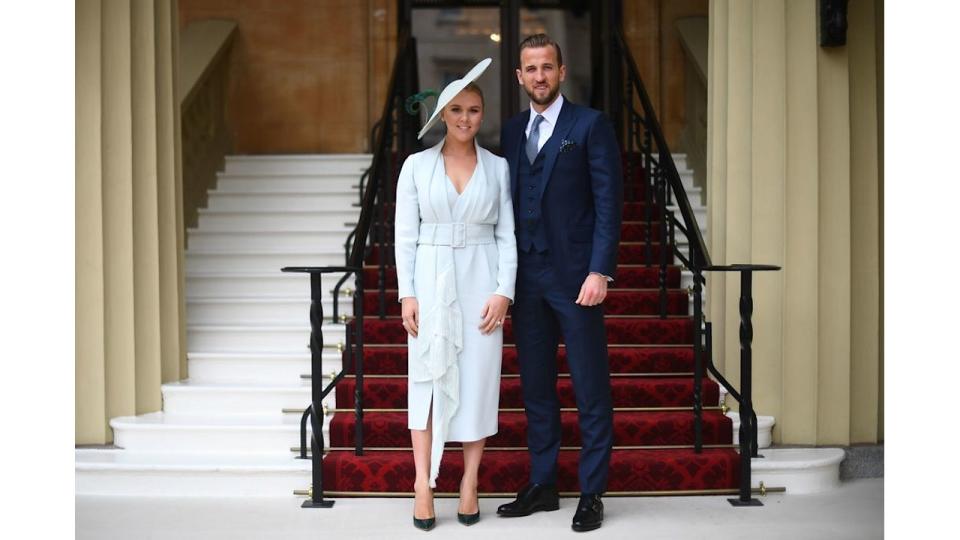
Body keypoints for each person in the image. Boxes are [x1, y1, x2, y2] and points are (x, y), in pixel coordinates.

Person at [495, 34, 623, 533]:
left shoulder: (589, 125)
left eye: (548, 67)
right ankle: (544, 483)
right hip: (526, 278)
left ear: (562, 72)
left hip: (576, 277)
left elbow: (608, 202)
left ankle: (592, 492)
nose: (540, 76)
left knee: (590, 386)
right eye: (531, 68)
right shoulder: (509, 132)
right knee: (536, 389)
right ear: (519, 77)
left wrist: (600, 270)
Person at [394, 58, 518, 531]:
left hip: (481, 282)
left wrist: (504, 291)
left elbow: (507, 235)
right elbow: (406, 236)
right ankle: (423, 482)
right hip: (430, 279)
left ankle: (469, 481)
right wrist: (408, 294)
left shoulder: (500, 168)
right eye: (457, 110)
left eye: (473, 110)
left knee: (478, 382)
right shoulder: (416, 166)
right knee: (426, 380)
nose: (465, 118)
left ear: (482, 115)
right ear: (442, 115)